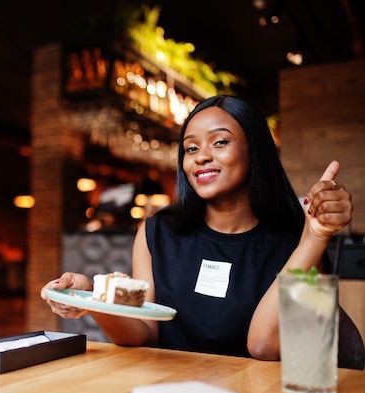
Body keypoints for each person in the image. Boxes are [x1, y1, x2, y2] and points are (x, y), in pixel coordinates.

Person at [41, 95, 353, 360]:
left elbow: (265, 345)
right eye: (191, 149)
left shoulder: (294, 246)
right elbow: (144, 333)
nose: (201, 157)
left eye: (220, 142)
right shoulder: (156, 233)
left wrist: (316, 236)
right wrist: (92, 299)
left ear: (254, 150)